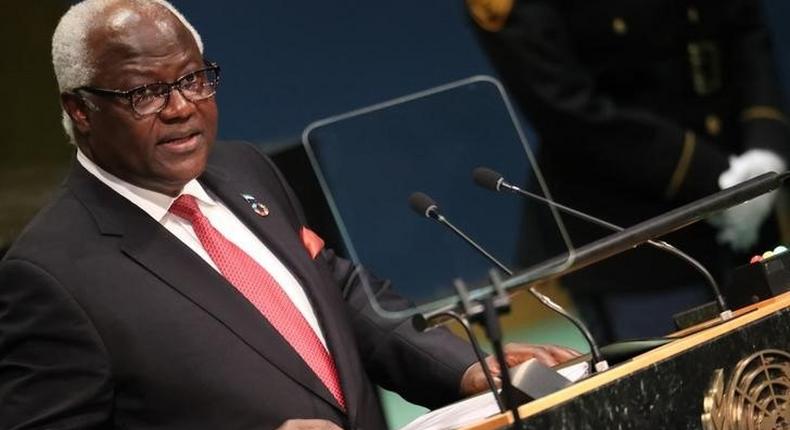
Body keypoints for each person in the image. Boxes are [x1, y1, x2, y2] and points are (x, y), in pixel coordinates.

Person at [0, 1, 577, 429]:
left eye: (193, 80)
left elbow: (341, 295)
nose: (181, 109)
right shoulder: (48, 276)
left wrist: (464, 366)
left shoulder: (243, 169)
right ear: (80, 109)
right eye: (145, 94)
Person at [467, 0, 790, 342]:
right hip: (634, 239)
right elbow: (564, 107)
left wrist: (767, 149)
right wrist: (715, 179)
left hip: (750, 209)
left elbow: (746, 33)